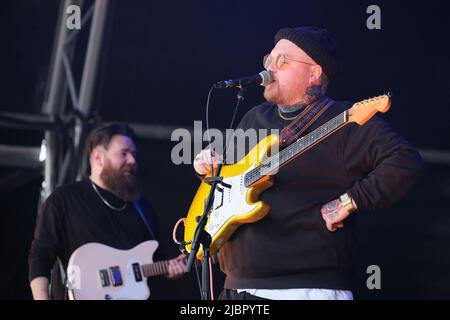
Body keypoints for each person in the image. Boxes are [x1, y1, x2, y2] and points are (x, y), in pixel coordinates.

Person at [193, 26, 425, 300]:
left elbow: (406, 161)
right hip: (237, 288)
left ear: (314, 73)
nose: (269, 67)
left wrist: (350, 201)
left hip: (305, 290)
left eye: (282, 61)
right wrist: (207, 164)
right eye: (269, 59)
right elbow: (229, 180)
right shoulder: (254, 117)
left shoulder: (345, 120)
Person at [29, 123, 186, 300]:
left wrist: (170, 269)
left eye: (134, 154)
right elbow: (40, 255)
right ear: (98, 158)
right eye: (123, 153)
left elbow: (155, 261)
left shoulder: (141, 207)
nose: (132, 160)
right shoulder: (64, 199)